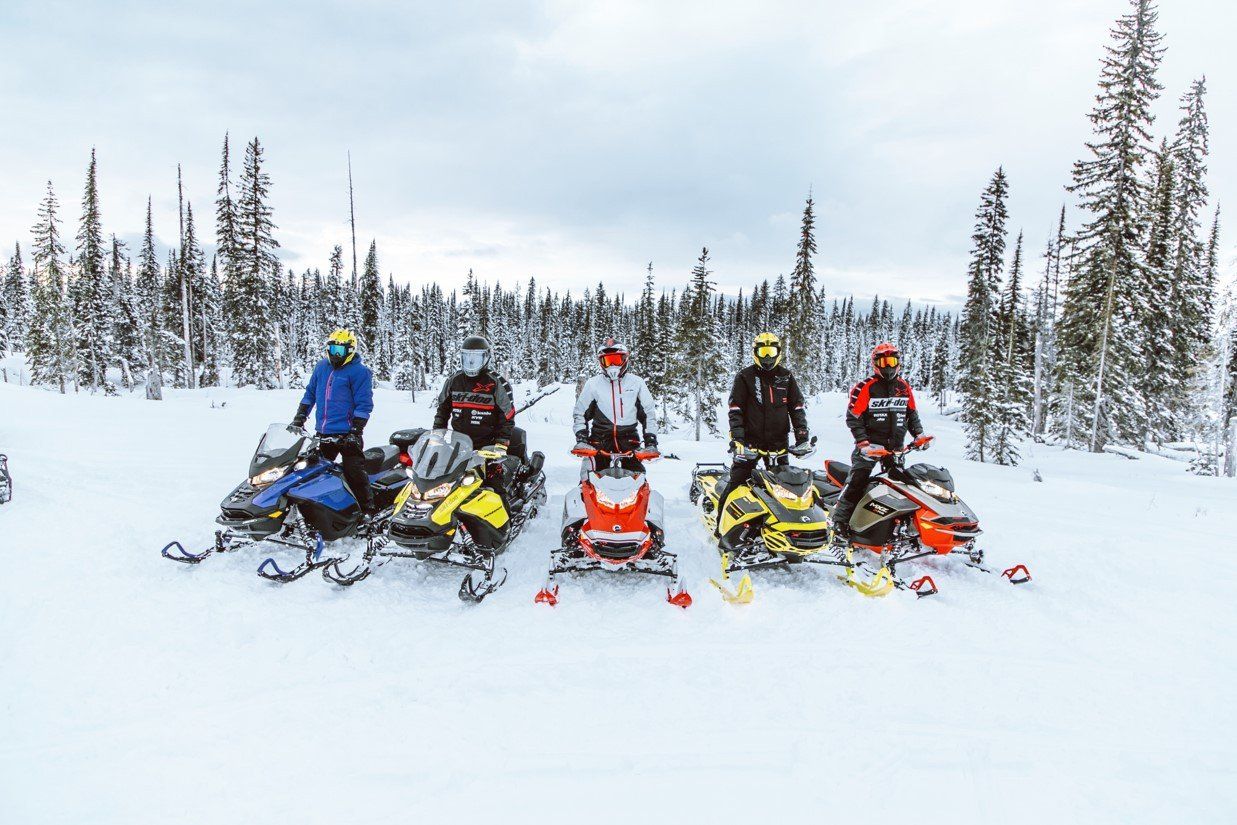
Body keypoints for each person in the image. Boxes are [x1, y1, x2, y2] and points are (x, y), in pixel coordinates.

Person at [831, 342, 933, 539]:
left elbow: (911, 414)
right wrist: (863, 443)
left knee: (901, 486)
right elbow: (854, 417)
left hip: (895, 449)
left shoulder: (903, 387)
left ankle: (895, 525)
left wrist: (919, 435)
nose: (888, 365)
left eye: (892, 360)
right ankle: (839, 521)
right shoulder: (866, 387)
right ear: (876, 363)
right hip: (870, 448)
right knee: (857, 483)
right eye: (884, 361)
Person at [713, 332, 811, 535]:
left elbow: (797, 407)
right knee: (737, 482)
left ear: (778, 353)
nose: (767, 357)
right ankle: (721, 528)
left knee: (785, 489)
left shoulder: (786, 377)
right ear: (755, 353)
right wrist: (738, 439)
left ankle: (785, 531)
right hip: (750, 443)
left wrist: (802, 437)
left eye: (771, 352)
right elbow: (735, 409)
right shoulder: (745, 376)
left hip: (779, 443)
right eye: (763, 352)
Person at [291, 328, 376, 515]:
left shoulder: (360, 372)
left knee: (353, 471)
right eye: (331, 349)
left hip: (347, 434)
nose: (334, 354)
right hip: (323, 432)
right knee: (311, 471)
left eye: (339, 351)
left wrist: (356, 430)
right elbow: (310, 393)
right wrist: (299, 417)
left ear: (350, 351)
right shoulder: (322, 367)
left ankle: (368, 510)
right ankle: (318, 510)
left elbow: (364, 404)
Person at [433, 335, 521, 491]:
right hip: (459, 444)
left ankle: (507, 512)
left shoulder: (497, 382)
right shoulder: (454, 380)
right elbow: (443, 410)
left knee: (493, 487)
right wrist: (437, 434)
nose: (471, 362)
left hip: (488, 446)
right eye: (467, 357)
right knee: (443, 482)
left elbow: (507, 416)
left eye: (476, 358)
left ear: (486, 358)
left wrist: (502, 442)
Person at [573, 338, 658, 473]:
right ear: (602, 362)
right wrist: (582, 439)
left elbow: (648, 414)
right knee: (588, 479)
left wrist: (650, 442)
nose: (612, 365)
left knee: (639, 480)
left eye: (616, 360)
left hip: (629, 443)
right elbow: (580, 413)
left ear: (625, 359)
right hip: (599, 443)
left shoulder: (636, 383)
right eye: (608, 361)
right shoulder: (593, 384)